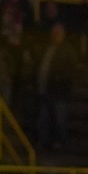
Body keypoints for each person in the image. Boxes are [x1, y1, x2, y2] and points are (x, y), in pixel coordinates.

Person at [31, 23, 79, 152]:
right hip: (44, 89)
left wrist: (61, 79)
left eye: (58, 33)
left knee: (59, 119)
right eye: (54, 32)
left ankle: (59, 143)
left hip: (60, 91)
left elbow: (73, 71)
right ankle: (43, 141)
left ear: (63, 34)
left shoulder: (68, 51)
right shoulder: (45, 48)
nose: (56, 35)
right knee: (43, 118)